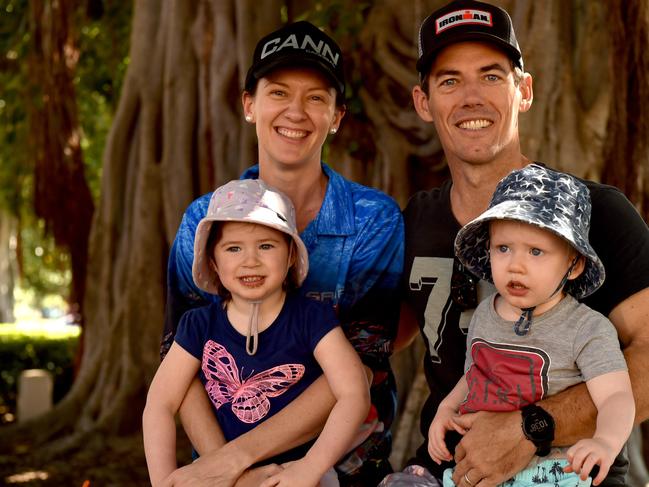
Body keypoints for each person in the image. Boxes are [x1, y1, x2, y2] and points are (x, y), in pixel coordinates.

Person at [386, 0, 649, 485]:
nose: (471, 98)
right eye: (449, 81)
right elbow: (374, 336)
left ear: (523, 90)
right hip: (448, 470)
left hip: (566, 473)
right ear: (423, 102)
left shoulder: (599, 214)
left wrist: (533, 428)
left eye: (491, 76)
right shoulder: (413, 222)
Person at [159, 20, 404, 486]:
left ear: (336, 117)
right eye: (279, 93)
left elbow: (359, 368)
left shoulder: (374, 219)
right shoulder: (202, 220)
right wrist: (230, 471)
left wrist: (242, 460)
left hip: (346, 466)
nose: (296, 111)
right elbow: (180, 358)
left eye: (316, 97)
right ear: (250, 104)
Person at [144, 179, 371, 487]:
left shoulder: (311, 318)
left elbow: (354, 392)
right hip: (218, 477)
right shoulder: (198, 325)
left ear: (290, 254)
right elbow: (160, 404)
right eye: (233, 248)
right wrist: (162, 481)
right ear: (214, 261)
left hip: (295, 473)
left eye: (266, 246)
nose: (250, 261)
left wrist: (311, 467)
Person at [428, 164, 634, 487]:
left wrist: (606, 441)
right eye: (503, 248)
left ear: (574, 264)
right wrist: (447, 408)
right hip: (480, 469)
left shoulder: (586, 329)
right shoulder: (484, 315)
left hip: (552, 475)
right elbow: (474, 376)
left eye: (536, 251)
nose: (516, 266)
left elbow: (616, 398)